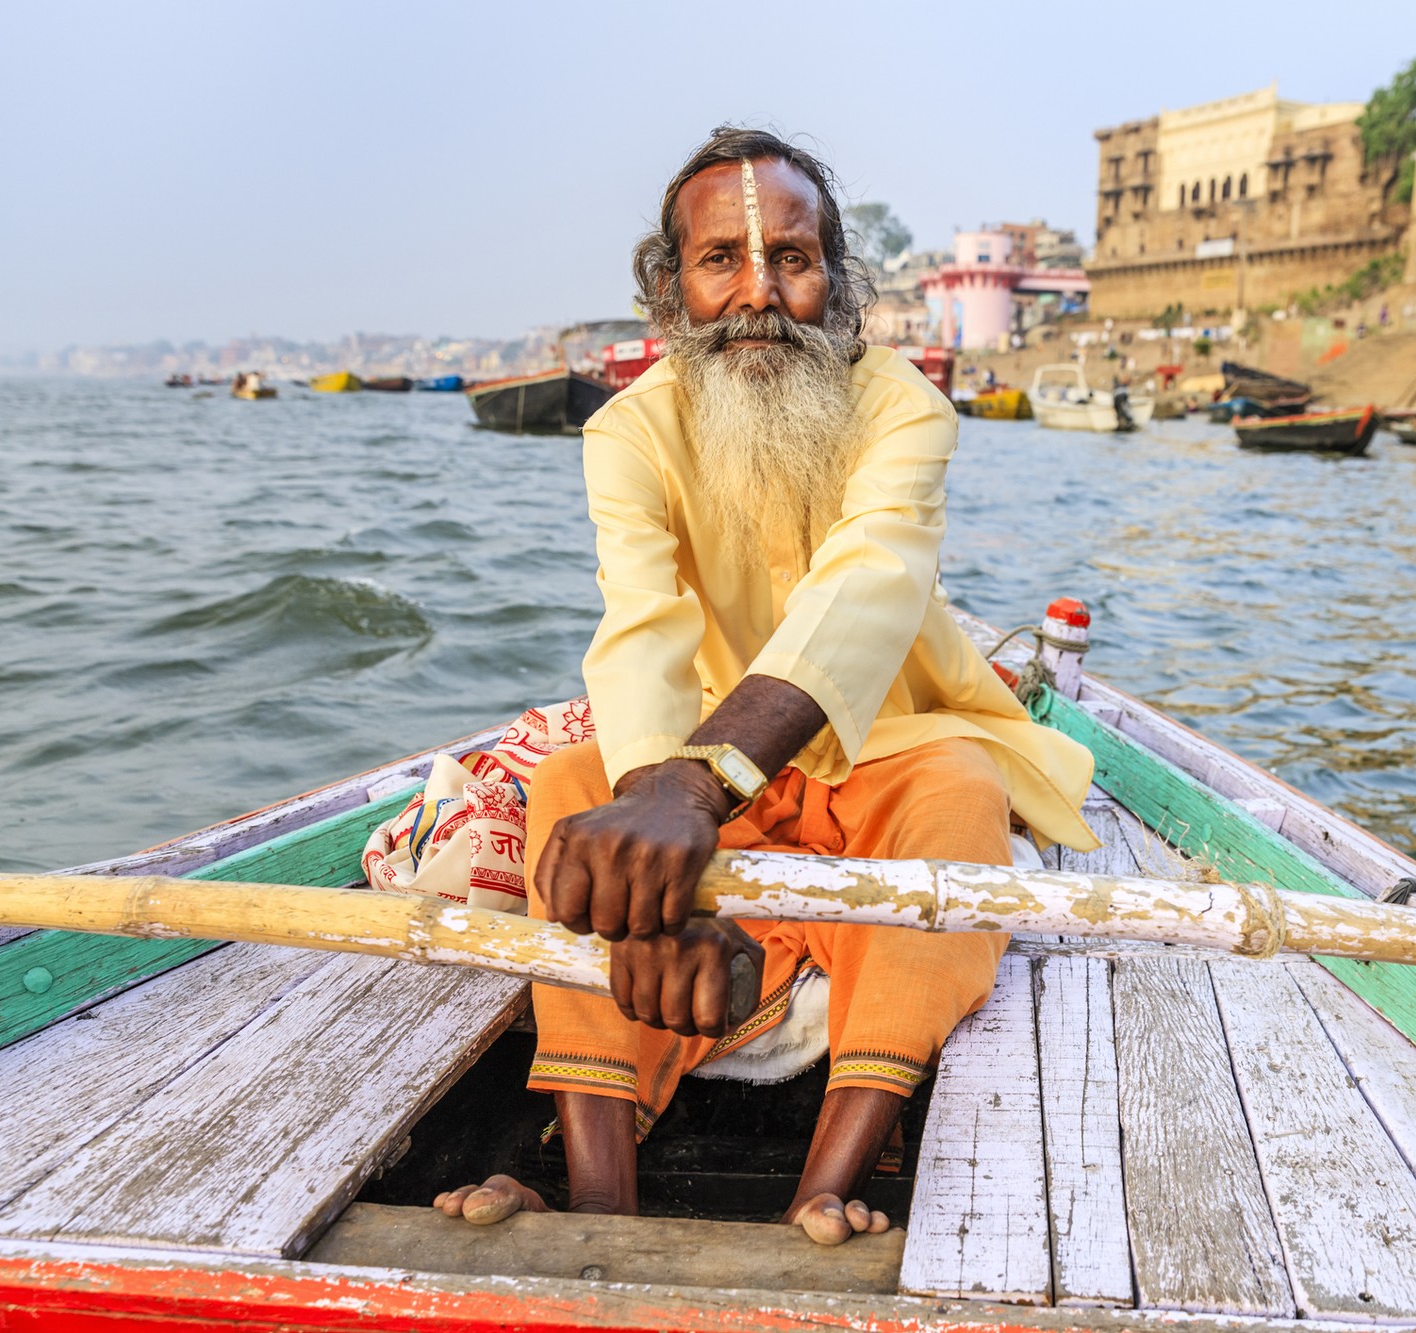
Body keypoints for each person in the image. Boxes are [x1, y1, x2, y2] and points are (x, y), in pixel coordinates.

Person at [431, 127, 1098, 1244]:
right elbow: (640, 633)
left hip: (881, 747)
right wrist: (657, 841)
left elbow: (865, 590)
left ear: (836, 279)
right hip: (697, 762)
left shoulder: (903, 409)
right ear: (671, 288)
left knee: (958, 792)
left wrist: (688, 799)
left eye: (791, 259)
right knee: (568, 794)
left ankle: (832, 1180)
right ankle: (599, 1199)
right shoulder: (628, 433)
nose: (758, 295)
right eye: (721, 262)